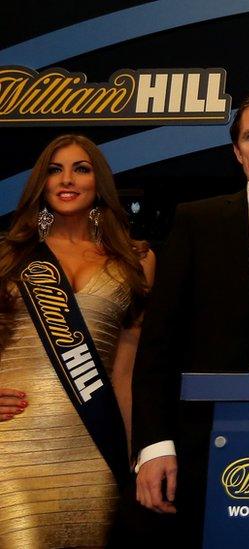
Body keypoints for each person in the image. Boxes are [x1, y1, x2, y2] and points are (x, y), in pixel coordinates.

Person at [130, 91, 249, 543]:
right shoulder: (196, 221)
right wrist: (153, 446)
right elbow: (158, 346)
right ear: (237, 151)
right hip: (202, 446)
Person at [0, 134, 154, 547]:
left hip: (94, 449)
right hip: (14, 444)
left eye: (80, 169)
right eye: (55, 169)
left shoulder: (135, 261)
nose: (66, 179)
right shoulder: (9, 256)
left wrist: (136, 453)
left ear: (98, 181)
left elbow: (127, 371)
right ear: (41, 183)